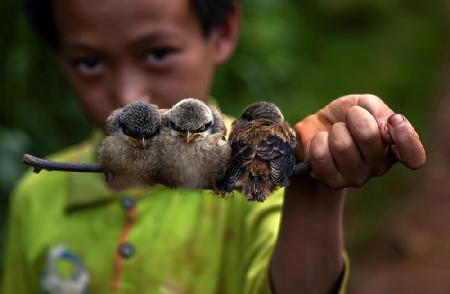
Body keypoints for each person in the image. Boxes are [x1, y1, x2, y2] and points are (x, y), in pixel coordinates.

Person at [1, 0, 426, 293]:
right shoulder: (37, 198)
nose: (129, 92)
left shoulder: (249, 168)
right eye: (89, 62)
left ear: (222, 32)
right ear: (60, 59)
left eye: (157, 53)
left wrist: (313, 179)